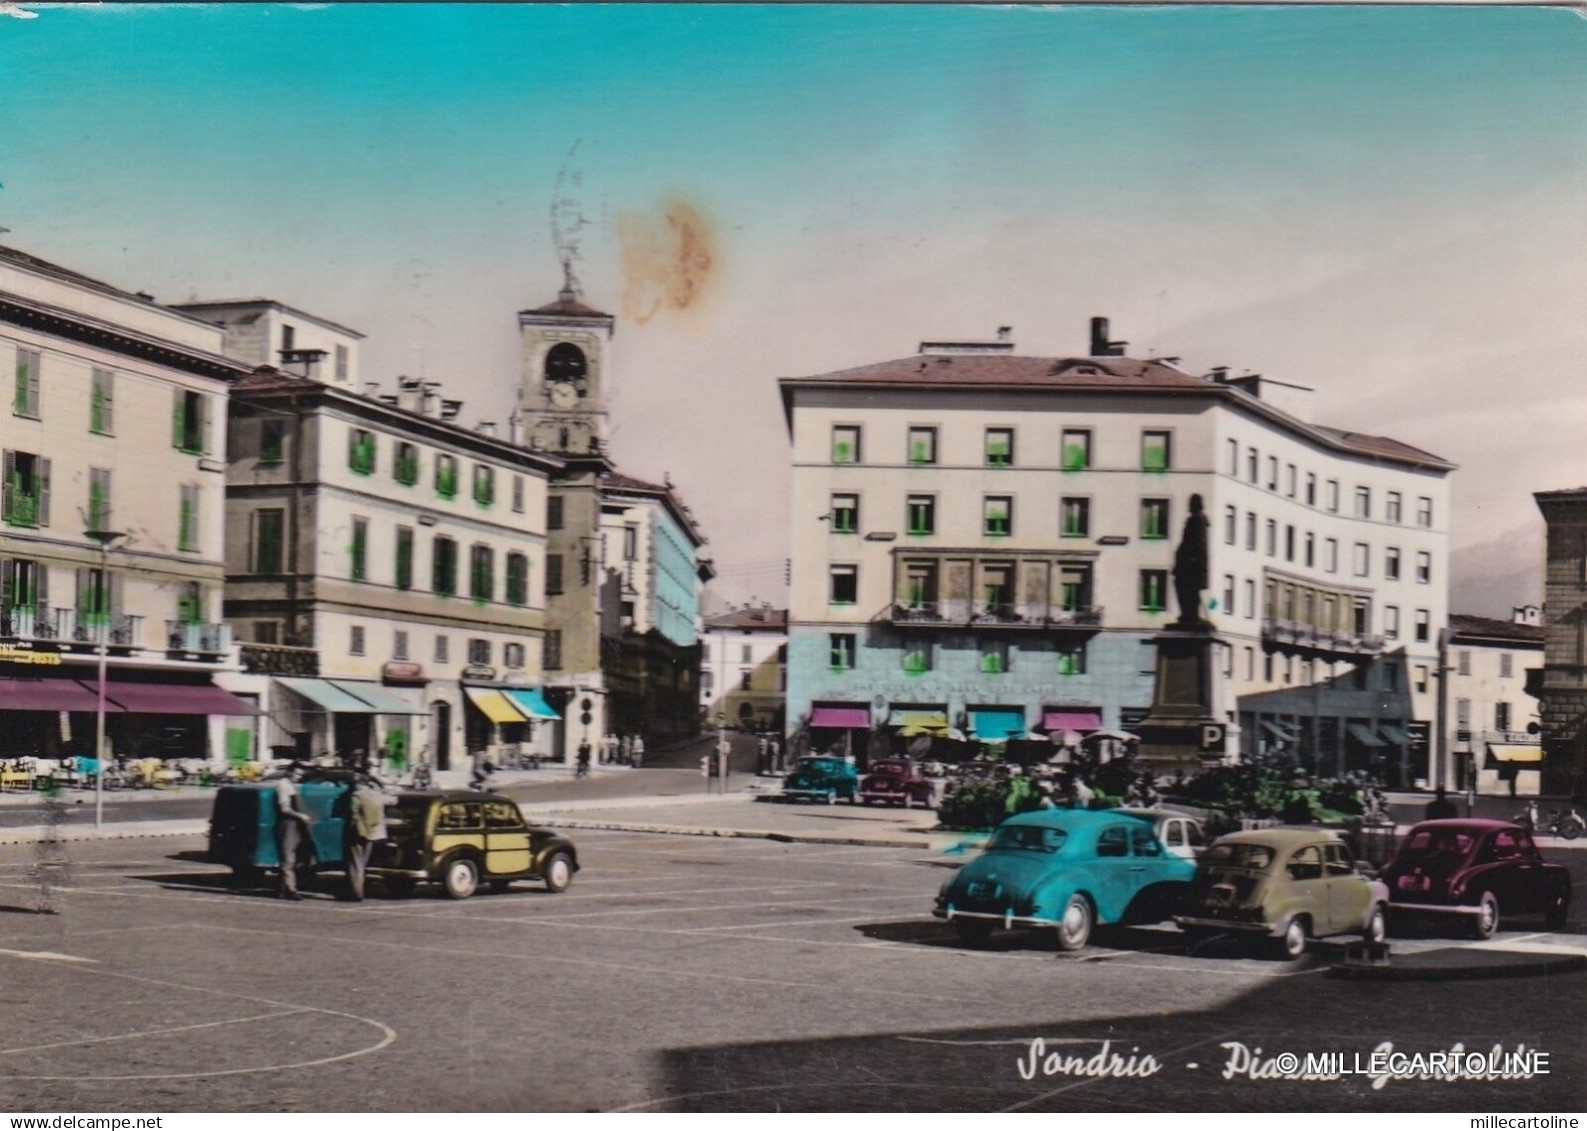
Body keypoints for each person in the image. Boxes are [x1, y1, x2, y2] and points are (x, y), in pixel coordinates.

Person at [344, 773, 388, 902]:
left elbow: (353, 813)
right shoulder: (376, 795)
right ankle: (360, 890)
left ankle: (357, 893)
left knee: (355, 864)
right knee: (362, 863)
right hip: (371, 832)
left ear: (358, 784)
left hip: (357, 832)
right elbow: (393, 799)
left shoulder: (356, 796)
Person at [272, 763, 313, 901]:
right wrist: (301, 816)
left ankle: (281, 889)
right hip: (287, 823)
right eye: (297, 774)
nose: (299, 777)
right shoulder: (283, 785)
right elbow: (285, 808)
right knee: (288, 858)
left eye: (300, 775)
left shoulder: (290, 785)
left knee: (291, 857)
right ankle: (291, 889)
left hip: (293, 824)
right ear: (290, 772)